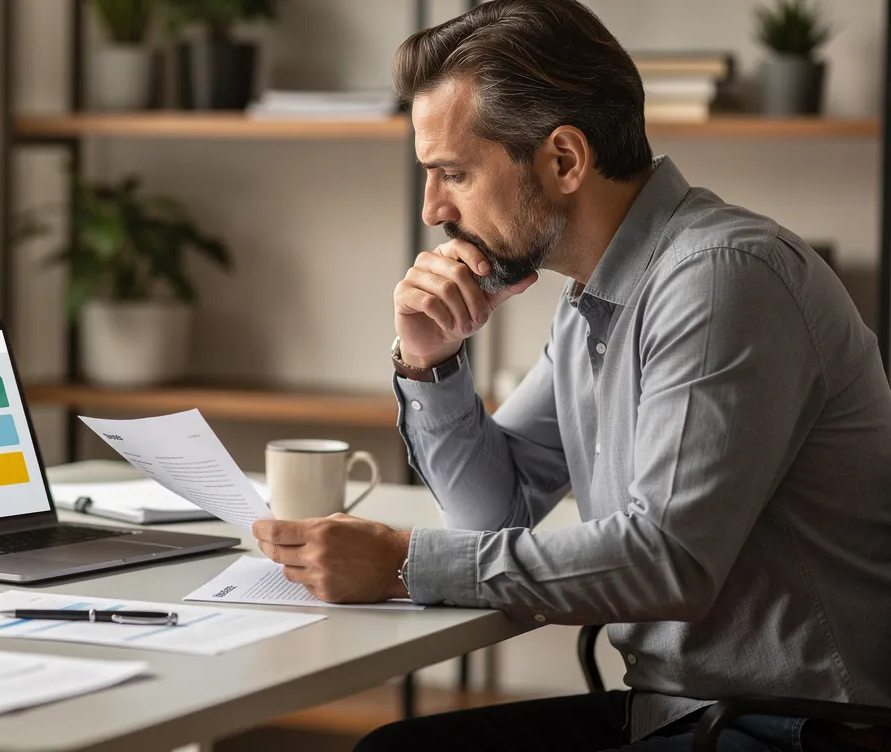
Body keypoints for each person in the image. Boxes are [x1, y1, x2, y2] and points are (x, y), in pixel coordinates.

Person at [250, 1, 891, 749]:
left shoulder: (720, 279)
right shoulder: (597, 294)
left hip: (787, 729)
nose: (432, 210)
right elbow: (497, 507)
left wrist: (402, 563)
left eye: (452, 172)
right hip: (682, 710)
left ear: (563, 160)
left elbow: (669, 560)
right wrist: (432, 362)